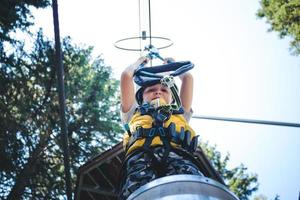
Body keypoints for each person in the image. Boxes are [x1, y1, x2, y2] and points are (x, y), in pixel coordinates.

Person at [119, 56, 203, 200]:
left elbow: (187, 77)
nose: (158, 92)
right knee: (139, 193)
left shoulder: (180, 112)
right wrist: (140, 63)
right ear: (141, 97)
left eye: (164, 90)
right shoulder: (133, 112)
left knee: (188, 191)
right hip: (141, 157)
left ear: (172, 97)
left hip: (178, 155)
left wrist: (171, 64)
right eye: (151, 89)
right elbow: (126, 76)